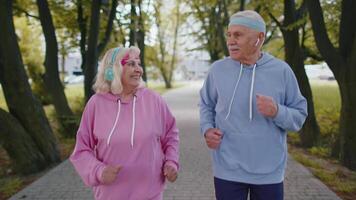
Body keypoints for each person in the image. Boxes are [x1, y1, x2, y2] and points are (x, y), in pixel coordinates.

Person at [199, 10, 307, 200]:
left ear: (259, 37)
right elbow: (206, 104)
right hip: (227, 169)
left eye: (238, 35)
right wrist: (207, 129)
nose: (230, 41)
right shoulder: (218, 70)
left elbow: (299, 117)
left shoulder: (282, 71)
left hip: (269, 172)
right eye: (229, 35)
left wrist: (277, 111)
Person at [70, 46, 179, 200]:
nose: (138, 70)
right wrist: (98, 171)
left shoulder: (154, 100)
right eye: (131, 64)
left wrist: (171, 162)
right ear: (113, 69)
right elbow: (81, 150)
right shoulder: (96, 104)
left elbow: (171, 135)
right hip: (110, 195)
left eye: (139, 64)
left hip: (151, 193)